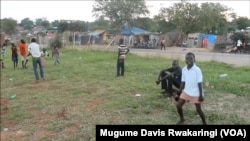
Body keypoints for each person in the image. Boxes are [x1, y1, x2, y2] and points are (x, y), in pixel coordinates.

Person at [176, 52, 207, 125]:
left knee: (198, 109)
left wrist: (201, 95)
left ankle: (204, 122)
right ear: (185, 60)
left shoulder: (197, 70)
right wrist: (179, 92)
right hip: (187, 91)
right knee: (178, 105)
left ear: (194, 59)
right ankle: (182, 118)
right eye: (187, 58)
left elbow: (199, 83)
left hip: (196, 93)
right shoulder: (184, 69)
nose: (188, 60)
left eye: (191, 58)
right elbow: (183, 82)